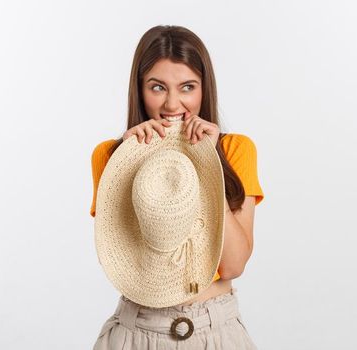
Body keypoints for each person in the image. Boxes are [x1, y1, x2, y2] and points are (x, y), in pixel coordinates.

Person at [89, 25, 264, 349]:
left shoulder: (235, 150)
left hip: (214, 331)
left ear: (204, 89)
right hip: (135, 330)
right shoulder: (109, 156)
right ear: (139, 89)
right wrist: (130, 164)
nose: (173, 103)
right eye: (157, 87)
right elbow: (124, 264)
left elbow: (233, 265)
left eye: (187, 87)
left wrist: (209, 163)